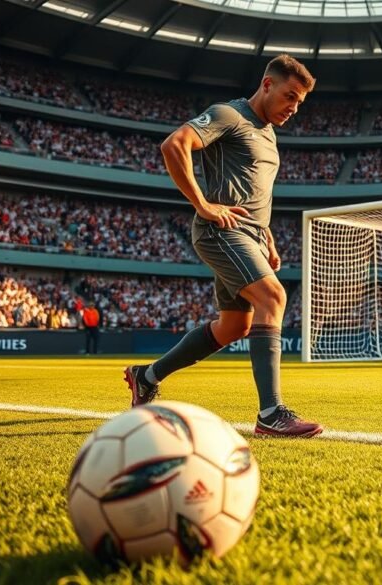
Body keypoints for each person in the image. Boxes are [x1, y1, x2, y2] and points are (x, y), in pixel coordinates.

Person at [124, 54, 322, 438]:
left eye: (300, 102)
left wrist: (267, 236)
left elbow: (253, 191)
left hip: (250, 236)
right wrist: (203, 204)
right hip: (220, 231)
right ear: (267, 84)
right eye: (289, 96)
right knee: (273, 299)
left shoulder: (269, 134)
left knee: (234, 326)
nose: (293, 108)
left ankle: (146, 376)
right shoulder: (229, 115)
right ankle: (270, 413)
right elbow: (174, 144)